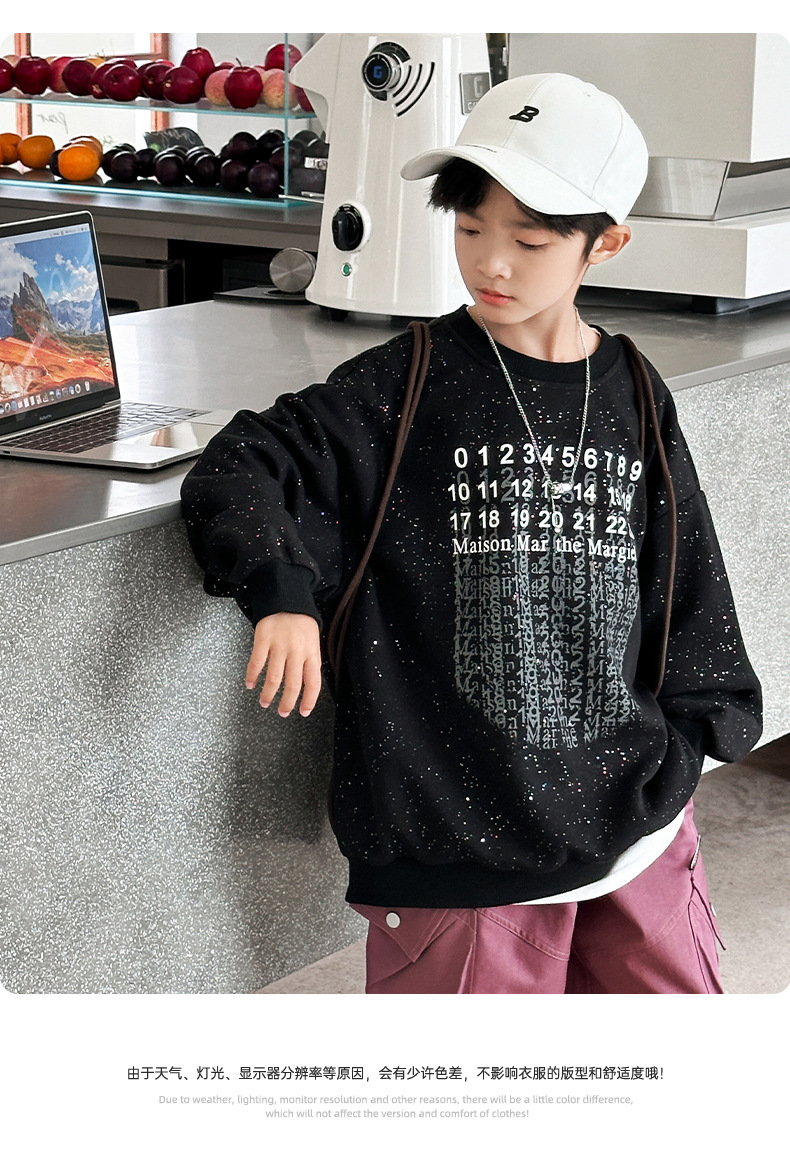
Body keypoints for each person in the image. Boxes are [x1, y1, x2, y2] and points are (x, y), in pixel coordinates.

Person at [180, 73, 762, 994]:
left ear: (606, 243)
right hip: (462, 847)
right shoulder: (403, 382)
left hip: (637, 817)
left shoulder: (634, 388)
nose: (492, 263)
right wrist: (280, 594)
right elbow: (241, 461)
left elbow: (683, 570)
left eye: (529, 240)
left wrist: (694, 733)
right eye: (468, 227)